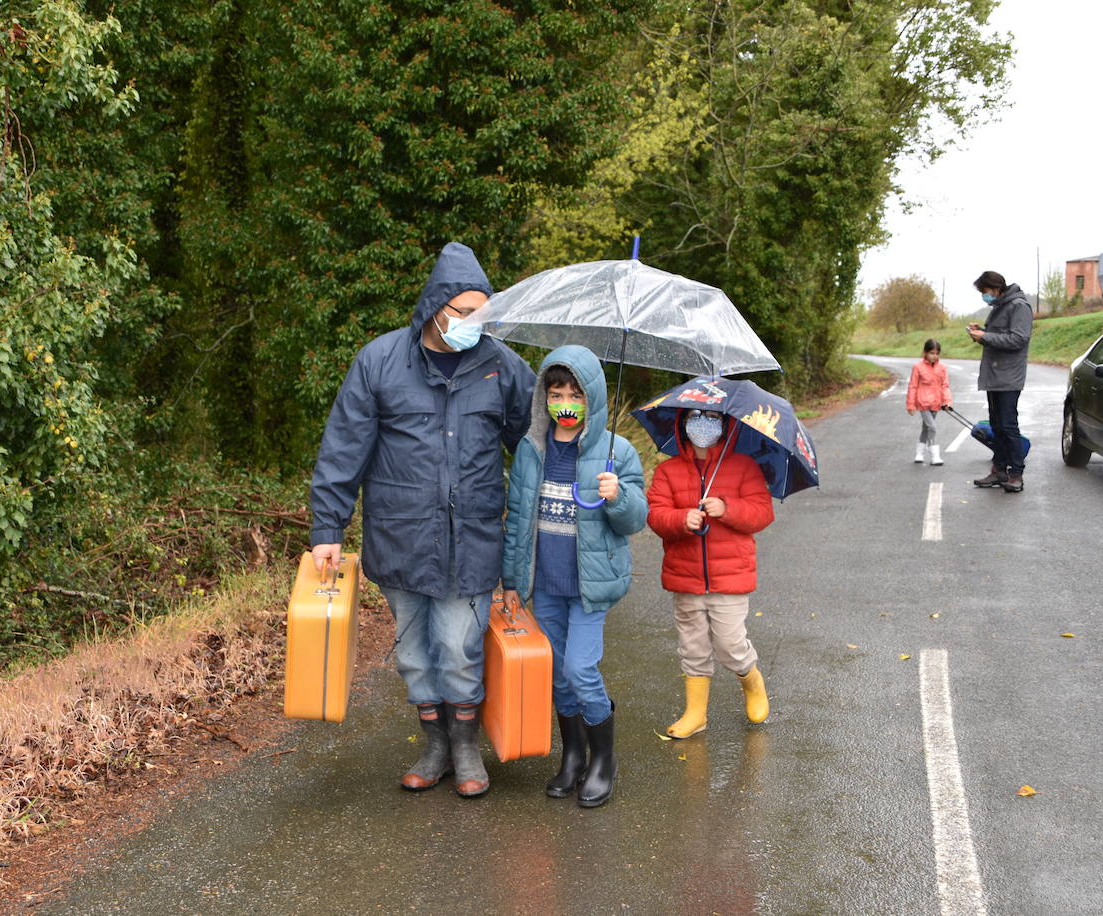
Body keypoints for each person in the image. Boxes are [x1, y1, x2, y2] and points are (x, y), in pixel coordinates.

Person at [309, 242, 536, 798]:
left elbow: (532, 443)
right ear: (436, 307)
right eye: (463, 312)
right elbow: (344, 447)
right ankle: (434, 744)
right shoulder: (380, 361)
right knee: (414, 654)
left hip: (475, 537)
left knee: (460, 647)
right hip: (401, 533)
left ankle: (465, 747)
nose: (472, 324)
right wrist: (327, 529)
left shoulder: (502, 366)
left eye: (482, 313)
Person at [500, 345, 647, 808]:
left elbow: (635, 520)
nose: (566, 403)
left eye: (576, 395)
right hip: (544, 583)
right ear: (544, 397)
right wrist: (510, 582)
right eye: (556, 393)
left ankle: (604, 759)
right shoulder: (531, 447)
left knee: (580, 670)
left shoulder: (614, 451)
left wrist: (617, 496)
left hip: (589, 585)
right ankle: (574, 756)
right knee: (558, 678)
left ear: (593, 398)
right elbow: (519, 519)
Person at [646, 407, 774, 739]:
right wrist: (680, 520)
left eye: (712, 417)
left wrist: (727, 509)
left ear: (725, 424)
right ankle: (696, 713)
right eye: (695, 416)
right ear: (682, 423)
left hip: (730, 577)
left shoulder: (744, 467)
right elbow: (656, 514)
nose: (703, 423)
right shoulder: (668, 471)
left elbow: (762, 513)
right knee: (693, 646)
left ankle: (752, 680)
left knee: (730, 644)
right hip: (685, 577)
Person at [966, 270, 1033, 492]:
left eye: (985, 291)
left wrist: (986, 336)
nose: (984, 296)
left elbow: (1018, 339)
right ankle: (999, 469)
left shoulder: (1019, 306)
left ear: (996, 288)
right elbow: (997, 338)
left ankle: (1016, 474)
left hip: (1009, 377)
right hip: (994, 375)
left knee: (1008, 425)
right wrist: (981, 334)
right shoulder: (999, 307)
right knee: (996, 425)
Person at [906, 339, 953, 465]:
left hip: (936, 403)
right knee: (932, 427)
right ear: (925, 353)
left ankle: (919, 453)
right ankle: (935, 456)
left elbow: (945, 385)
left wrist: (947, 401)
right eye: (932, 353)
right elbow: (912, 386)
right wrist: (910, 404)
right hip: (923, 403)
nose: (934, 356)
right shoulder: (918, 367)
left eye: (937, 353)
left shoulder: (942, 368)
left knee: (926, 429)